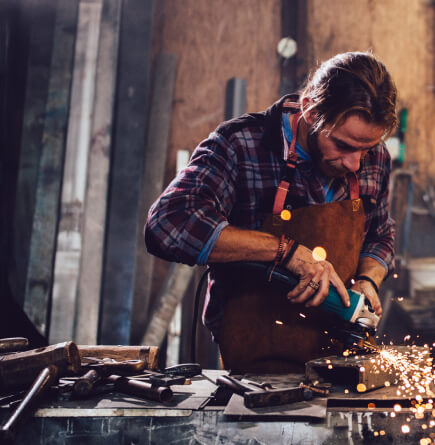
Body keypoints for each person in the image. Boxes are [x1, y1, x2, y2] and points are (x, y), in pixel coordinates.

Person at [145, 52, 397, 372]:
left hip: (340, 364)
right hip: (254, 365)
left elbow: (380, 233)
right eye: (344, 146)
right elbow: (168, 223)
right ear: (310, 109)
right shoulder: (240, 144)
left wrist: (368, 279)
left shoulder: (374, 157)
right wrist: (285, 252)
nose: (356, 163)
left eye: (366, 148)